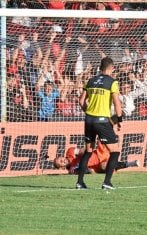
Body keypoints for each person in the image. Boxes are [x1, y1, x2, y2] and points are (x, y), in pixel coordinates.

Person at [77, 57, 123, 190]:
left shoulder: (90, 81)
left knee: (88, 151)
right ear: (111, 67)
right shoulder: (112, 82)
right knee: (114, 152)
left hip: (89, 119)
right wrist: (119, 120)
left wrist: (89, 113)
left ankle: (80, 183)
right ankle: (107, 182)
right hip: (102, 120)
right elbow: (117, 103)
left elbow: (81, 101)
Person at [53, 141, 140, 174]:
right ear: (61, 167)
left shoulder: (70, 151)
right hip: (97, 166)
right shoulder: (72, 170)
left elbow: (80, 151)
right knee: (104, 166)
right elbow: (89, 171)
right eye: (60, 162)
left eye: (60, 158)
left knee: (102, 138)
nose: (63, 160)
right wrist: (91, 171)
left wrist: (86, 150)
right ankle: (130, 163)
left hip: (99, 153)